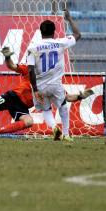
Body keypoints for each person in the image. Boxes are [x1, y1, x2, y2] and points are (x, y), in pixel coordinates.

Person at [0, 45, 92, 139]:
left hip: (23, 107)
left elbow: (67, 97)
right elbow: (12, 66)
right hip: (12, 97)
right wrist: (7, 57)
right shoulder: (29, 69)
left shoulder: (52, 82)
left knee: (29, 122)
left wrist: (80, 96)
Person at [27, 10, 82, 141]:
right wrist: (68, 18)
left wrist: (35, 90)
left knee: (45, 109)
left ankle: (54, 128)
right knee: (62, 106)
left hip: (40, 85)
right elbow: (78, 34)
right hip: (55, 84)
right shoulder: (60, 43)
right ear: (54, 31)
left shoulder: (33, 47)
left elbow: (30, 69)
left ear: (41, 32)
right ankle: (66, 134)